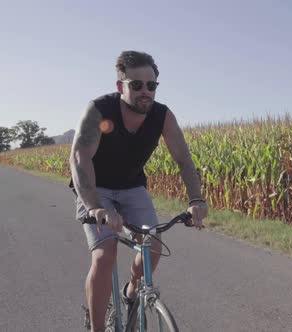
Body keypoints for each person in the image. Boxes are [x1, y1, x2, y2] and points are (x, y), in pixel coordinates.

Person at [69, 50, 208, 331]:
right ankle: (97, 327)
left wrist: (196, 199)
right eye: (136, 85)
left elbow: (183, 158)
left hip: (132, 187)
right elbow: (80, 157)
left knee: (153, 244)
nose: (145, 91)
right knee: (104, 256)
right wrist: (96, 207)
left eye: (151, 85)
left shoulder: (162, 116)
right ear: (121, 86)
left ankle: (132, 292)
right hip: (96, 189)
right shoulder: (100, 110)